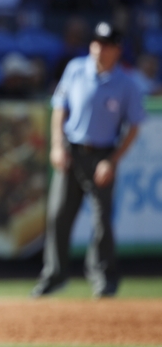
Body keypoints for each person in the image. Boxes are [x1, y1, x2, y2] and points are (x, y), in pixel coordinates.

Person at [31, 21, 146, 299]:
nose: (98, 48)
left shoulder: (127, 83)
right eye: (95, 42)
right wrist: (58, 145)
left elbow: (134, 126)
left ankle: (103, 279)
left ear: (117, 49)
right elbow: (60, 108)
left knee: (101, 220)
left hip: (103, 154)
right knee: (58, 215)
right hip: (72, 151)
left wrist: (113, 161)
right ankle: (54, 276)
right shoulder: (75, 69)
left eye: (105, 44)